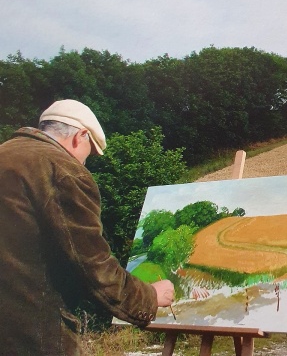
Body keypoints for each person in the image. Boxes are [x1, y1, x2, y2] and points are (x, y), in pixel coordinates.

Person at [0, 99, 174, 355]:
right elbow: (91, 262)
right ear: (80, 135)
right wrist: (148, 297)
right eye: (89, 153)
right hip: (32, 332)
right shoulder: (62, 170)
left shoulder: (7, 154)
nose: (84, 163)